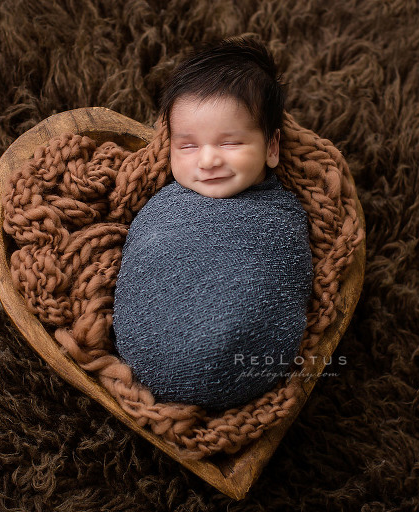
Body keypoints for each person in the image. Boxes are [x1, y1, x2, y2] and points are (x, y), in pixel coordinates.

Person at [112, 37, 313, 410]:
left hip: (242, 364)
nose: (207, 161)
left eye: (230, 143)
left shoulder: (281, 218)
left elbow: (286, 275)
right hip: (146, 347)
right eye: (187, 146)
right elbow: (145, 254)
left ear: (272, 147)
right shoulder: (164, 204)